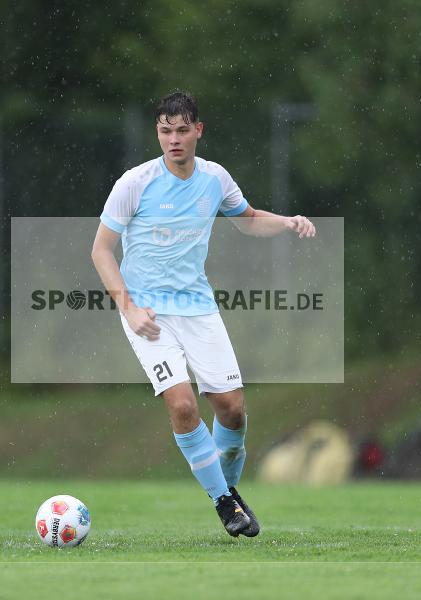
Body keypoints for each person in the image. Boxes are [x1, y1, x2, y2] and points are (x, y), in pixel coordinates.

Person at [91, 92, 316, 537]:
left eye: (181, 130)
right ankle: (223, 502)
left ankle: (227, 490)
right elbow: (100, 250)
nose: (172, 139)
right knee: (182, 403)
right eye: (164, 130)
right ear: (157, 131)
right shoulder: (134, 182)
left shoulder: (215, 179)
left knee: (232, 411)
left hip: (197, 307)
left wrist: (287, 221)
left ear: (198, 130)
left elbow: (247, 219)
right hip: (148, 313)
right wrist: (129, 308)